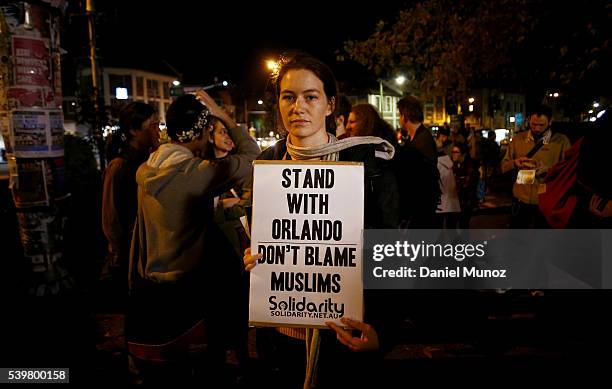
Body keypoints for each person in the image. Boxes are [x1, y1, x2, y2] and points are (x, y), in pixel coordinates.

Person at [243, 51, 401, 387]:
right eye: (288, 96)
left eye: (310, 96)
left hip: (343, 338)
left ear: (330, 105)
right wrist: (253, 257)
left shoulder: (367, 170)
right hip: (281, 340)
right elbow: (263, 242)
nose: (297, 106)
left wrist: (383, 334)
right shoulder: (266, 166)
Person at [126, 91, 260, 384]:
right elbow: (252, 157)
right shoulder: (197, 173)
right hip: (190, 293)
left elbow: (142, 235)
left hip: (151, 290)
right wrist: (223, 115)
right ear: (201, 133)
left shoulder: (147, 170)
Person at [100, 102, 159, 300]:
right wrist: (119, 252)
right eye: (152, 126)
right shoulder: (119, 166)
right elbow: (111, 217)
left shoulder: (150, 161)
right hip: (129, 254)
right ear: (134, 130)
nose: (158, 131)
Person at [501, 104, 570, 228]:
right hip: (521, 201)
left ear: (550, 122)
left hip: (546, 202)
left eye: (541, 125)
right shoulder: (517, 139)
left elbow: (568, 172)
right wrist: (514, 163)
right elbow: (503, 166)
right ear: (528, 120)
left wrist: (547, 170)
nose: (537, 128)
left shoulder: (561, 141)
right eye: (533, 124)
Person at [396, 95, 441, 228]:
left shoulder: (421, 141)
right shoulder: (419, 137)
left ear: (404, 116)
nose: (399, 119)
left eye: (399, 115)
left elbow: (424, 176)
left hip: (422, 208)